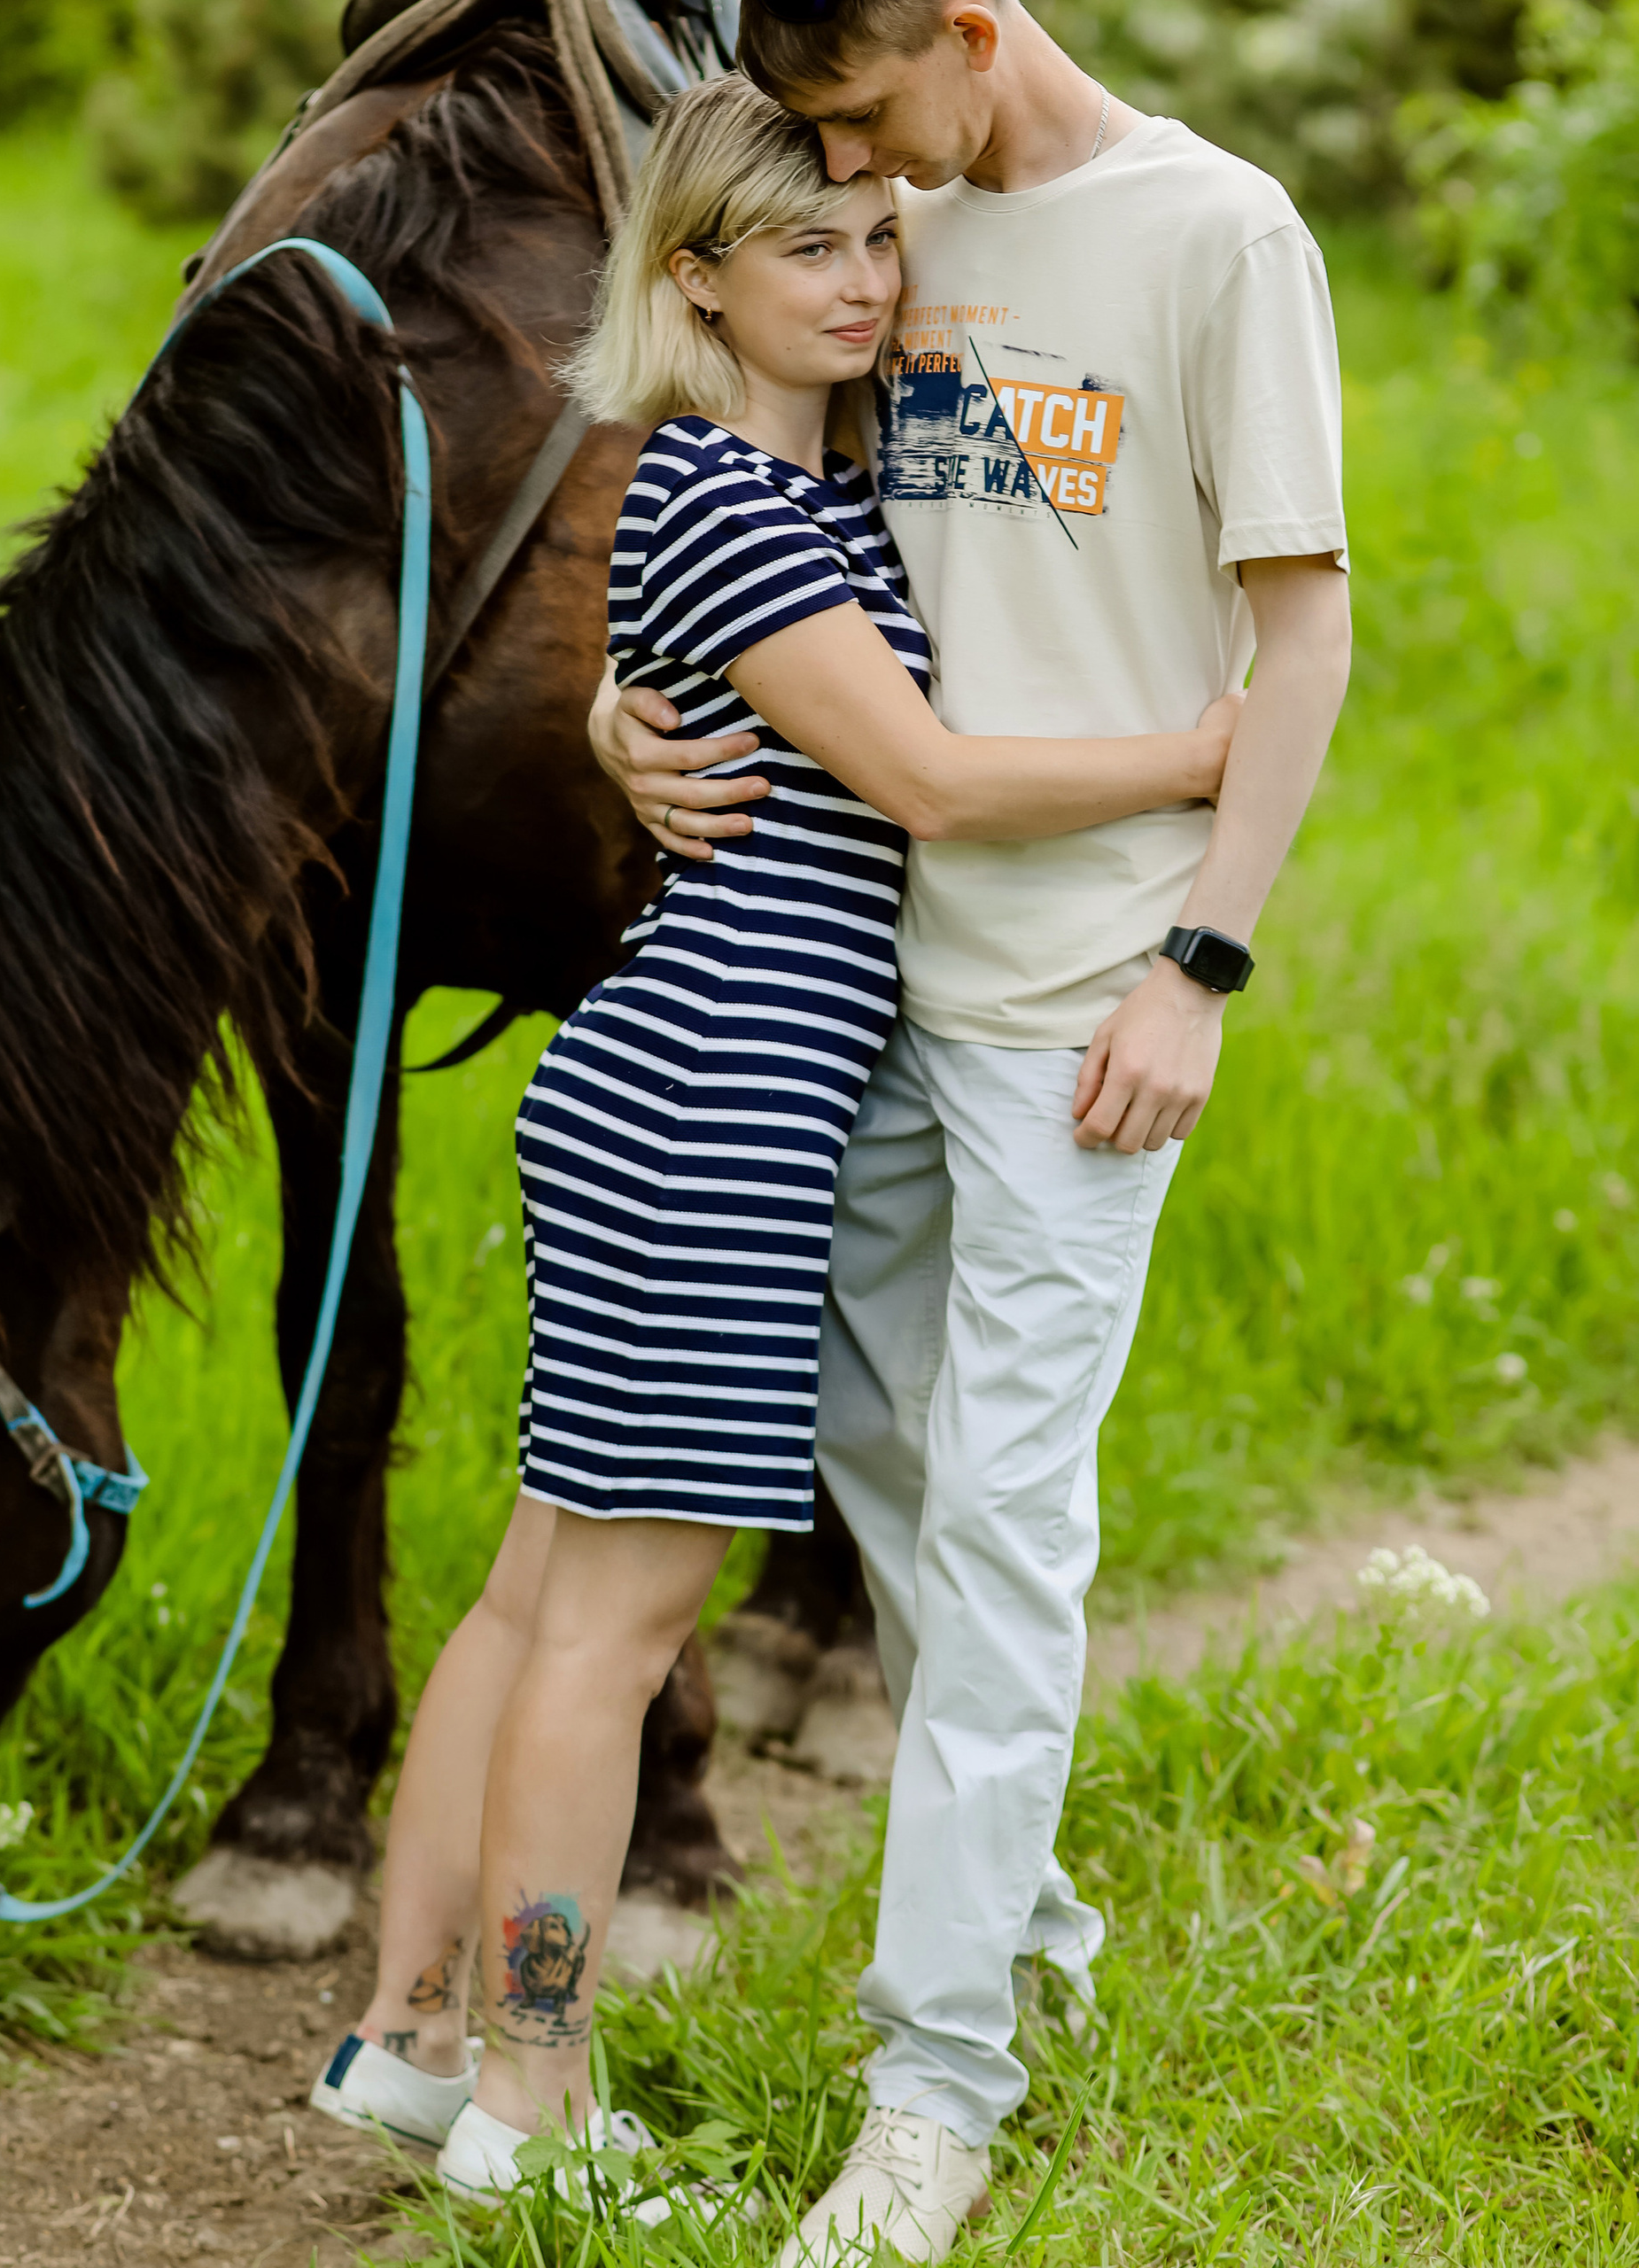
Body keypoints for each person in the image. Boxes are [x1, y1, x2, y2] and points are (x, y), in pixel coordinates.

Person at [305, 71, 1241, 2225]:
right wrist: (1201, 746)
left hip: (662, 1077)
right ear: (693, 277)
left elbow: (1002, 479)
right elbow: (920, 774)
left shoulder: (795, 494)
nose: (859, 274)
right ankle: (533, 2099)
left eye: (871, 235)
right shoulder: (732, 497)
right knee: (612, 1633)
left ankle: (406, 2031)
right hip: (718, 1101)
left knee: (537, 1586)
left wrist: (631, 709)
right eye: (802, 244)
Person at [587, 4, 1353, 2262]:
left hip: (1080, 1000)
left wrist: (1199, 965)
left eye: (855, 105)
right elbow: (756, 524)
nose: (844, 165)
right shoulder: (880, 230)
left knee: (1005, 1520)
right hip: (863, 985)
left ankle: (934, 2084)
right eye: (816, 143)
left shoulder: (1220, 234)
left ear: (964, 28)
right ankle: (1018, 1921)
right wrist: (628, 711)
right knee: (890, 1466)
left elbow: (1295, 645)